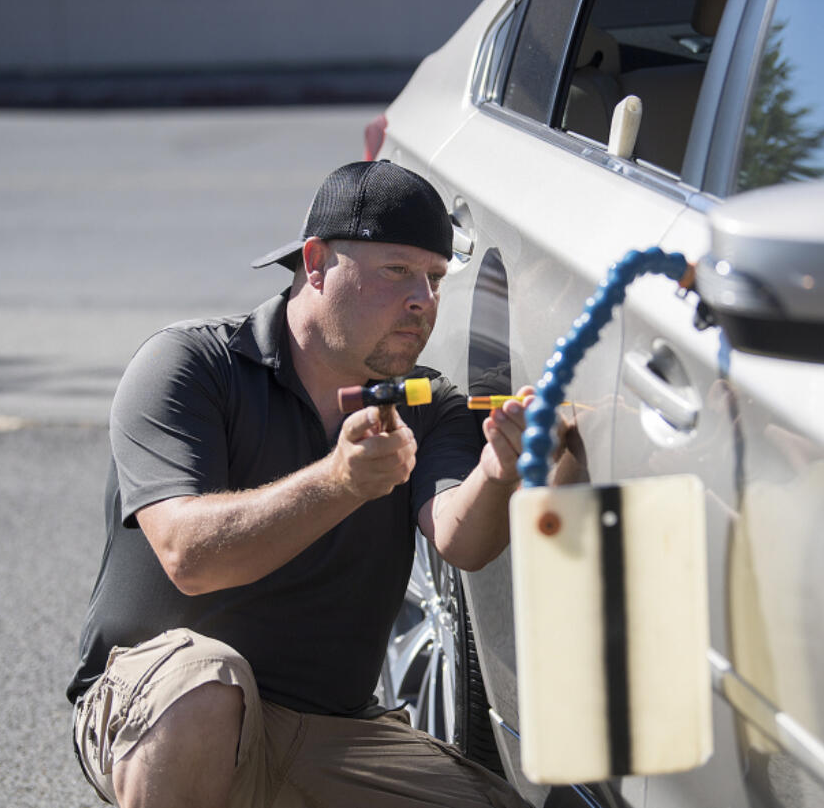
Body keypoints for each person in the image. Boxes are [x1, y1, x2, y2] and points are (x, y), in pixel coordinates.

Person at [67, 160, 537, 808]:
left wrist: (499, 469)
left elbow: (462, 538)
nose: (423, 302)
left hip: (328, 728)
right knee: (208, 684)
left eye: (434, 278)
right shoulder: (190, 367)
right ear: (315, 263)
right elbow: (189, 556)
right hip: (159, 703)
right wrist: (339, 481)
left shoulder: (427, 404)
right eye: (398, 271)